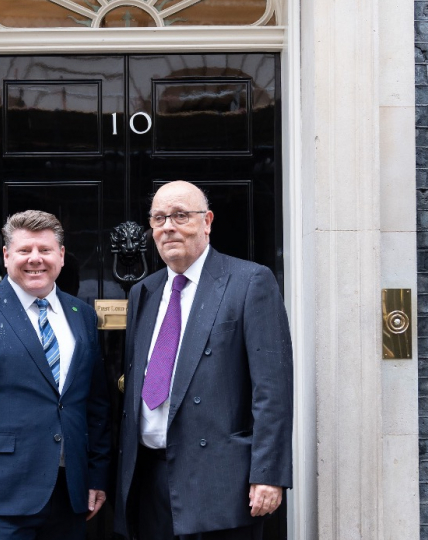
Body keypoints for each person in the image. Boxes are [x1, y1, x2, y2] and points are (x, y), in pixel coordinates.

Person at [114, 181, 293, 540]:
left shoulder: (249, 282)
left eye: (181, 216)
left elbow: (271, 388)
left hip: (221, 482)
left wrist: (268, 474)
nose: (169, 227)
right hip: (149, 483)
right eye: (160, 218)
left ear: (207, 221)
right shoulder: (143, 293)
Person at [0, 210, 110, 540]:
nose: (35, 260)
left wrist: (97, 476)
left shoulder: (82, 315)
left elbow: (95, 404)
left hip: (69, 494)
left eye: (44, 250)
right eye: (25, 250)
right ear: (6, 255)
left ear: (61, 255)